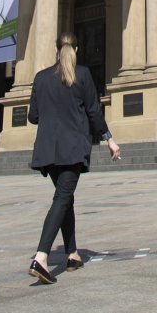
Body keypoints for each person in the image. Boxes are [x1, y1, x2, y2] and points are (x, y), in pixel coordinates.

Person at [26, 32, 120, 283]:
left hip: (47, 150)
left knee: (65, 197)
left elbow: (33, 117)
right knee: (62, 198)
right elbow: (93, 111)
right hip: (72, 148)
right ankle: (41, 257)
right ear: (76, 50)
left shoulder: (41, 78)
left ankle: (72, 254)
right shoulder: (83, 75)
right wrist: (109, 139)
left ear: (56, 50)